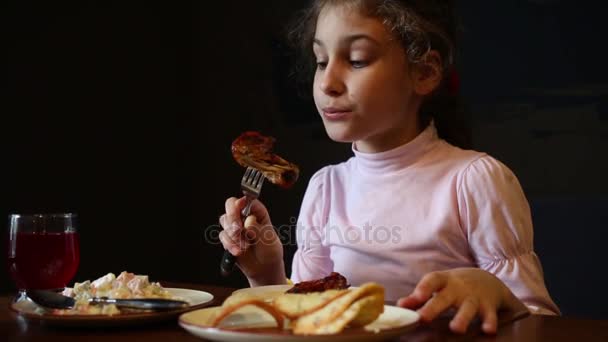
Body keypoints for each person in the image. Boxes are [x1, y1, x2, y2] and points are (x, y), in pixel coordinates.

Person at [218, 0, 559, 334]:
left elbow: (542, 322)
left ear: (424, 73)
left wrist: (494, 291)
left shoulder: (473, 181)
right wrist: (266, 276)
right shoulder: (326, 188)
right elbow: (310, 318)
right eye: (321, 61)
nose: (327, 83)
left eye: (356, 60)